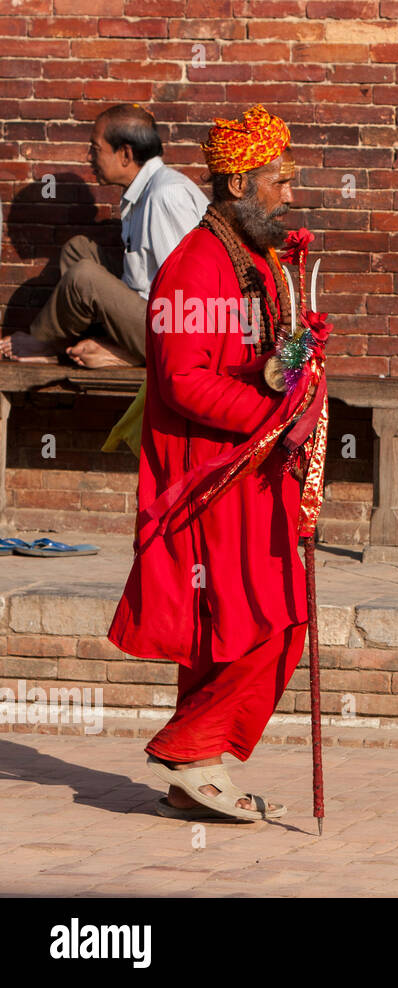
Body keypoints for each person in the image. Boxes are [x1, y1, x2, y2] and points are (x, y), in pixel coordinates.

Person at [107, 105, 309, 821]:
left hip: (248, 468)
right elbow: (183, 381)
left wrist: (296, 355)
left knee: (224, 625)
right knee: (272, 617)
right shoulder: (195, 264)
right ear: (241, 182)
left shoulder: (252, 258)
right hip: (210, 475)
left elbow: (254, 365)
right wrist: (271, 414)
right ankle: (189, 747)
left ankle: (195, 771)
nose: (288, 193)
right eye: (278, 180)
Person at [0, 104, 208, 367]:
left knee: (84, 277)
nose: (89, 157)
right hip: (151, 316)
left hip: (177, 336)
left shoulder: (166, 195)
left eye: (95, 149)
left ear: (125, 154)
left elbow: (191, 296)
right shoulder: (142, 190)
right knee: (79, 250)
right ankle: (86, 343)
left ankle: (52, 345)